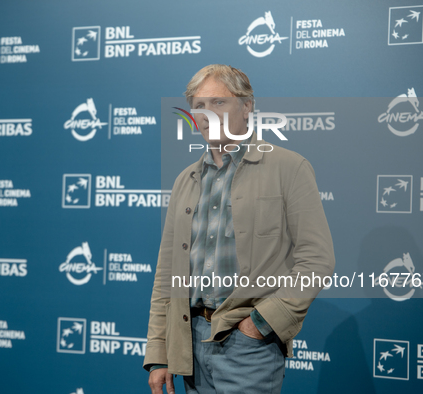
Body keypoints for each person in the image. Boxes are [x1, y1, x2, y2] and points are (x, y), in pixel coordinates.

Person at [144, 64, 335, 394]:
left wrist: (259, 325)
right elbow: (166, 274)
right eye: (199, 106)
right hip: (188, 347)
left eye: (218, 103)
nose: (207, 115)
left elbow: (317, 261)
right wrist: (161, 353)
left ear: (247, 106)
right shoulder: (185, 181)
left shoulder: (288, 168)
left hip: (249, 347)